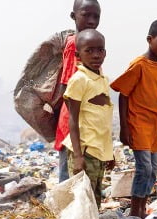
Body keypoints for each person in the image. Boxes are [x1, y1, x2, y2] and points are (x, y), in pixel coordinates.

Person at [110, 19, 157, 218]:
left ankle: (142, 206)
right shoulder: (139, 65)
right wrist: (124, 127)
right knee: (144, 167)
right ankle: (134, 211)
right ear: (149, 39)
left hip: (155, 126)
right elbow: (124, 94)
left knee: (153, 169)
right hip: (138, 123)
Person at [62, 29, 114, 208]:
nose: (96, 55)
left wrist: (110, 152)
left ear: (105, 53)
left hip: (99, 151)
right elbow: (72, 120)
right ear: (78, 55)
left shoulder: (103, 79)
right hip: (85, 151)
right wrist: (77, 156)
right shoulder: (79, 79)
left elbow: (102, 120)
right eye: (89, 50)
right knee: (82, 201)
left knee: (95, 197)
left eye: (100, 50)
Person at [54, 0, 101, 183]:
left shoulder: (92, 44)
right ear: (74, 16)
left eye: (95, 16)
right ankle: (66, 212)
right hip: (73, 121)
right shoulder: (76, 44)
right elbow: (67, 85)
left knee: (82, 176)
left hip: (85, 123)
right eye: (86, 15)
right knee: (70, 176)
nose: (91, 20)